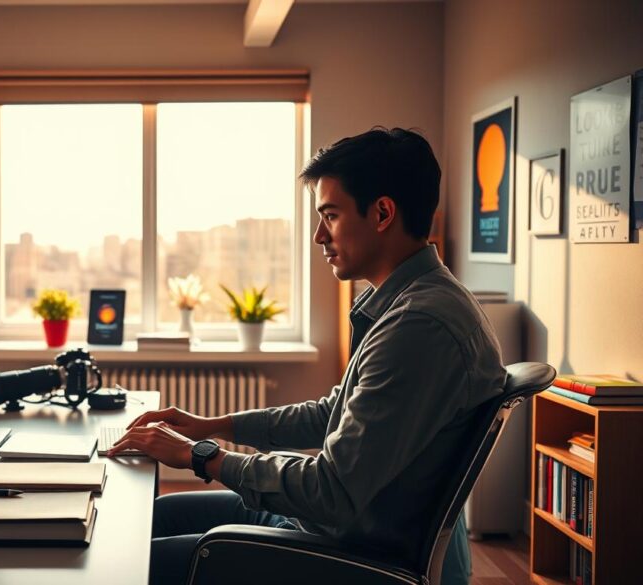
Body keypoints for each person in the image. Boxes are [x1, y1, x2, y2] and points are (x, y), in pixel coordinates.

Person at [110, 128, 506, 585]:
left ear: (382, 213)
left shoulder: (419, 327)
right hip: (334, 528)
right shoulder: (412, 303)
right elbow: (329, 414)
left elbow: (330, 490)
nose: (319, 235)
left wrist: (201, 456)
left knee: (128, 564)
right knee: (157, 517)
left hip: (349, 554)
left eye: (331, 216)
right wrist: (213, 426)